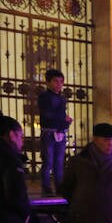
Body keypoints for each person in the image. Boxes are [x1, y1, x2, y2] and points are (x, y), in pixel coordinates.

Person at [38, 68, 72, 196]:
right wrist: (63, 119)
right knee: (48, 162)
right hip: (48, 133)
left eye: (61, 82)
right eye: (55, 81)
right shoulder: (44, 96)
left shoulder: (62, 98)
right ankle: (46, 189)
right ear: (48, 82)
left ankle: (59, 187)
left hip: (60, 132)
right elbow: (46, 114)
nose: (59, 84)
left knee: (59, 162)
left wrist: (66, 122)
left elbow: (60, 115)